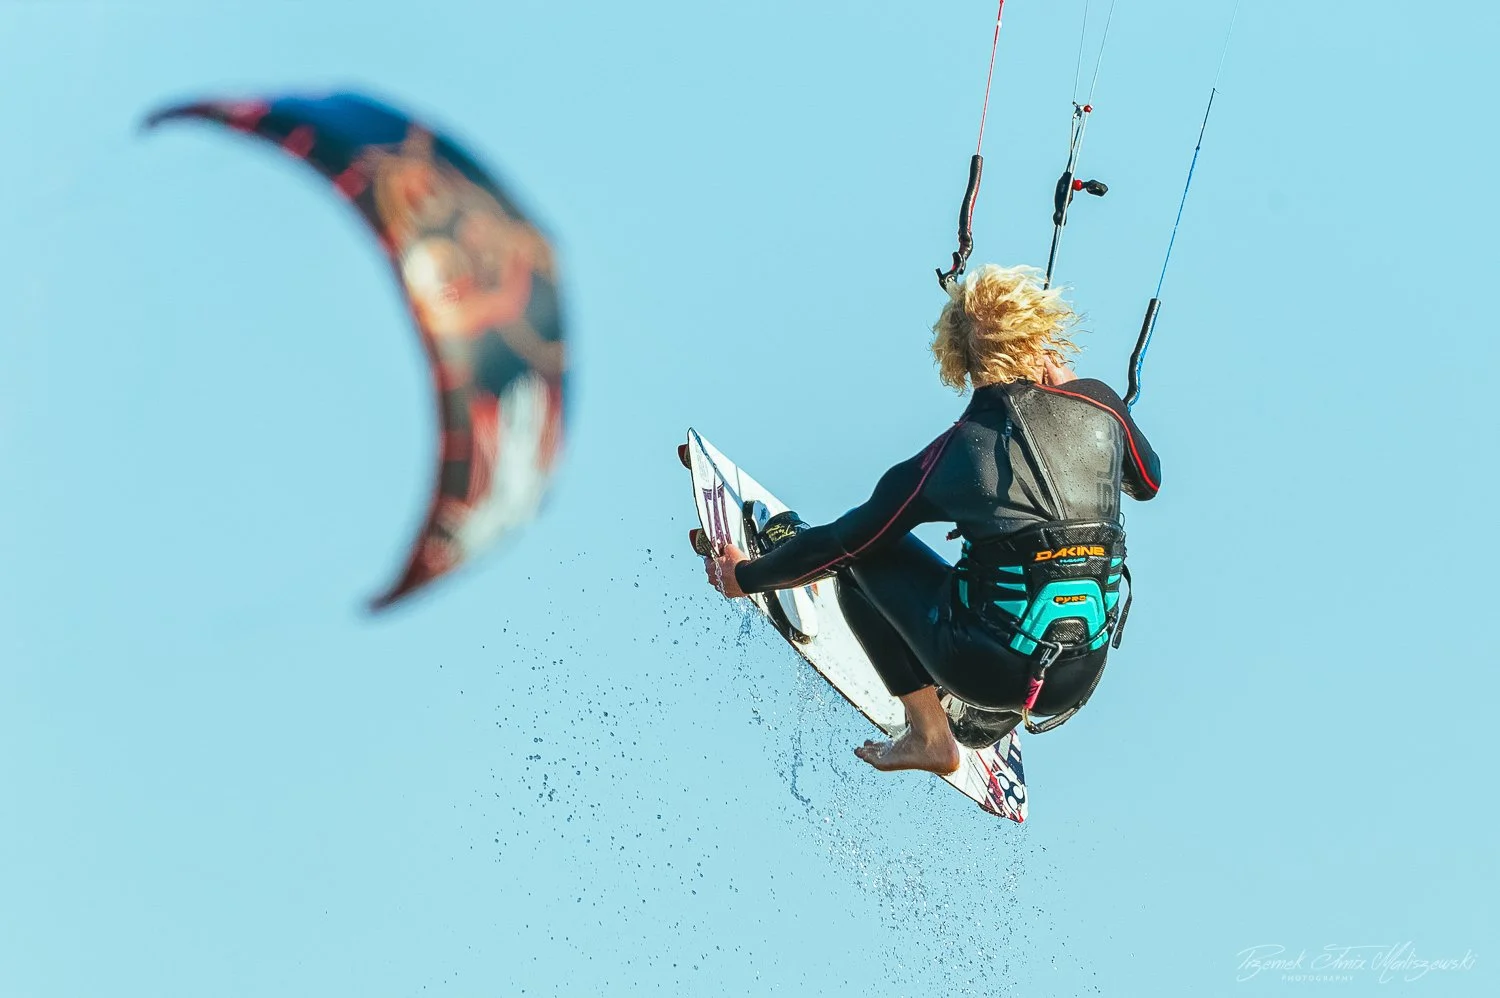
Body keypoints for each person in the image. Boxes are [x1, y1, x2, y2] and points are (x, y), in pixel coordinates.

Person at [702, 264, 1161, 776]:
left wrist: (744, 579)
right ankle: (982, 712)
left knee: (868, 556)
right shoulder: (1101, 410)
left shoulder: (958, 453)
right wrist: (1085, 392)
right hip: (1076, 679)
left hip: (987, 669)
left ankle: (929, 733)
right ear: (1042, 334)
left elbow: (844, 546)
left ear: (957, 360)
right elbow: (1148, 482)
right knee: (1018, 591)